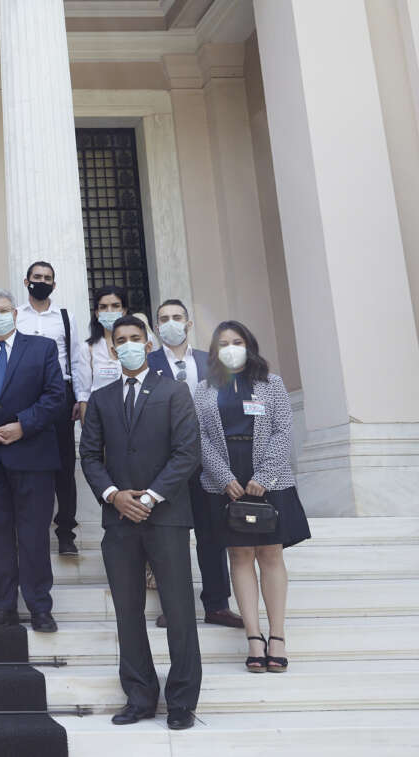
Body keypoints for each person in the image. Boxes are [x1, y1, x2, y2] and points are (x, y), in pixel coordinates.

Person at [78, 315, 202, 730]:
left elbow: (187, 453)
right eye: (121, 340)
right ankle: (139, 696)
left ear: (148, 344)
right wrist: (114, 495)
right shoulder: (101, 398)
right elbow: (90, 455)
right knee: (127, 612)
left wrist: (148, 497)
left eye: (136, 338)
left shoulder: (174, 391)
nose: (129, 344)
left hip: (166, 517)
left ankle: (181, 701)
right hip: (118, 520)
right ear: (113, 348)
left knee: (179, 610)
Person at [194, 320, 310, 674]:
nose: (230, 348)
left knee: (270, 554)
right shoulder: (204, 389)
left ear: (249, 345)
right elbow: (200, 437)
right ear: (214, 351)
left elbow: (282, 431)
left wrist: (264, 476)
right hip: (225, 480)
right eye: (223, 343)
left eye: (237, 341)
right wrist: (224, 477)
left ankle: (277, 636)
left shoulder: (271, 383)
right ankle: (254, 638)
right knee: (240, 556)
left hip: (269, 479)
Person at [0, 289, 66, 633]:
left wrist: (23, 425)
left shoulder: (42, 348)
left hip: (32, 457)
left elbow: (55, 396)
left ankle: (39, 607)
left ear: (15, 314)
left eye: (3, 310)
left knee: (34, 537)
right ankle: (3, 606)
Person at [148, 299, 242, 630]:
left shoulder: (210, 362)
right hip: (166, 463)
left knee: (212, 534)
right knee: (169, 538)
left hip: (209, 462)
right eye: (164, 319)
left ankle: (217, 605)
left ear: (188, 324)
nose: (170, 323)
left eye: (177, 317)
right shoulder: (147, 363)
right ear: (156, 327)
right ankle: (174, 606)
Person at [15, 260, 86, 557]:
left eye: (47, 278)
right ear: (27, 281)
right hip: (23, 396)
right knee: (23, 462)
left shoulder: (66, 318)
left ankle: (66, 531)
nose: (41, 281)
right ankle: (26, 527)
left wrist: (80, 398)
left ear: (54, 285)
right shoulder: (15, 315)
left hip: (60, 396)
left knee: (64, 465)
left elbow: (77, 359)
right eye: (37, 277)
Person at [73, 285, 130, 424]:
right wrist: (87, 431)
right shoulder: (88, 349)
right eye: (103, 307)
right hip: (102, 420)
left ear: (124, 310)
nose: (109, 311)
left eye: (115, 306)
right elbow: (84, 394)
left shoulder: (139, 345)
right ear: (97, 313)